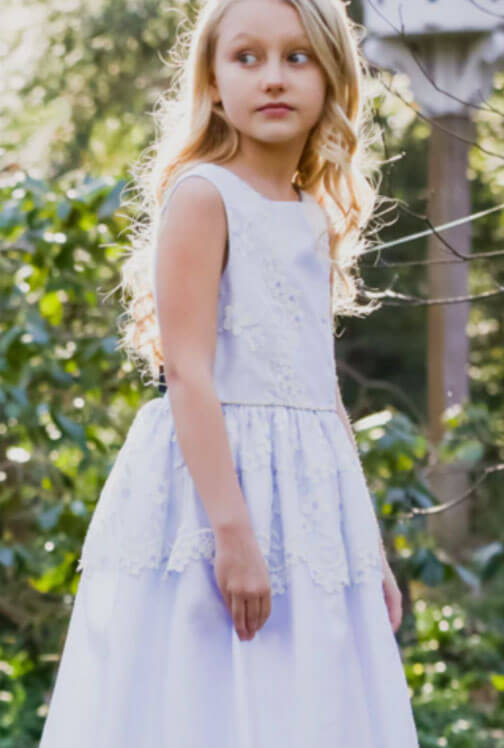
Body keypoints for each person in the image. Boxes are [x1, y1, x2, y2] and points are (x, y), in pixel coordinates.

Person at [39, 0, 420, 745]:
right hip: (217, 491)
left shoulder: (312, 211)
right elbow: (186, 370)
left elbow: (321, 389)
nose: (272, 79)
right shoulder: (203, 196)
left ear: (332, 77)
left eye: (297, 57)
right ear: (212, 82)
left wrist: (367, 549)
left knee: (302, 703)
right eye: (247, 58)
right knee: (206, 694)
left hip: (308, 496)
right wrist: (233, 533)